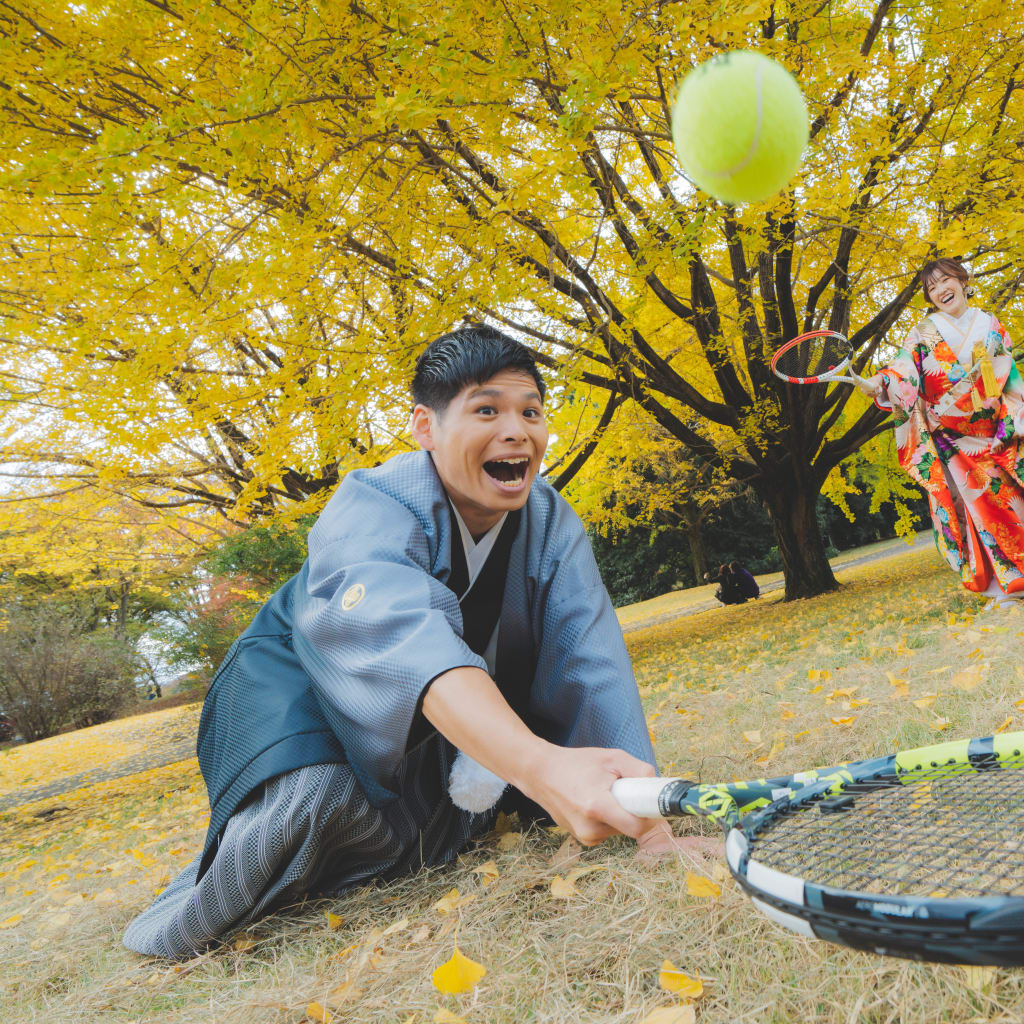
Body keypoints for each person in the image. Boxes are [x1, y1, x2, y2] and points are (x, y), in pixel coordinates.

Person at [123, 326, 714, 959]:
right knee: (313, 805)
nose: (517, 431)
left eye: (531, 412)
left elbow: (588, 656)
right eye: (487, 410)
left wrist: (646, 822)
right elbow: (406, 639)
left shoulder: (548, 518)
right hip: (292, 682)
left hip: (429, 702)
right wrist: (541, 767)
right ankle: (174, 921)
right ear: (425, 428)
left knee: (444, 826)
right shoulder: (372, 501)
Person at [857, 258, 1024, 607]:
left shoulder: (990, 324)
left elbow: (1007, 373)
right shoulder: (923, 332)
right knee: (977, 508)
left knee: (1014, 499)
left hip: (998, 430)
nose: (940, 290)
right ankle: (1006, 585)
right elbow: (902, 369)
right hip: (953, 442)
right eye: (932, 287)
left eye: (946, 280)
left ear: (963, 281)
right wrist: (880, 382)